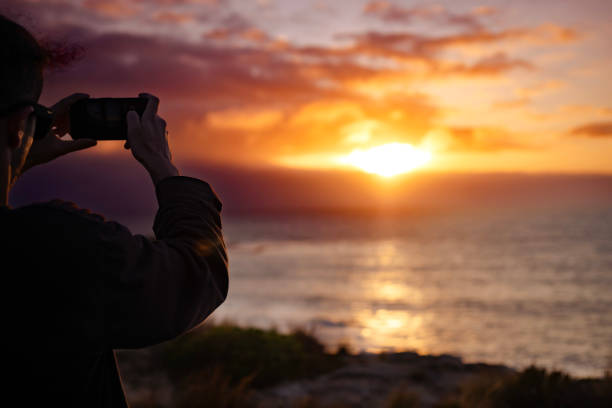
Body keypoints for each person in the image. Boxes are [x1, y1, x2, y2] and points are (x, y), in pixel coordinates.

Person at [0, 15, 228, 407]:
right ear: (20, 123)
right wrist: (163, 168)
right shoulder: (55, 246)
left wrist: (17, 161)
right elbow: (199, 275)